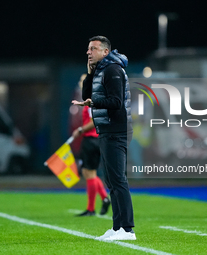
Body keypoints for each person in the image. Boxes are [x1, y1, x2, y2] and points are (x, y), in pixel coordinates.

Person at [72, 36, 135, 240]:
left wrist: (94, 103)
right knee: (111, 180)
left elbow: (116, 101)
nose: (88, 52)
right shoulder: (100, 70)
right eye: (88, 49)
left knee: (118, 179)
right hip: (107, 129)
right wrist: (90, 74)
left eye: (93, 48)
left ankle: (127, 229)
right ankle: (117, 228)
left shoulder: (113, 70)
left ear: (105, 52)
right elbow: (86, 94)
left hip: (116, 129)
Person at [72, 100, 111, 216]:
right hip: (95, 140)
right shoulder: (94, 100)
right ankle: (104, 199)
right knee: (88, 172)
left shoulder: (93, 101)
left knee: (89, 173)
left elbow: (94, 121)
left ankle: (91, 208)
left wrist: (80, 130)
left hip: (91, 140)